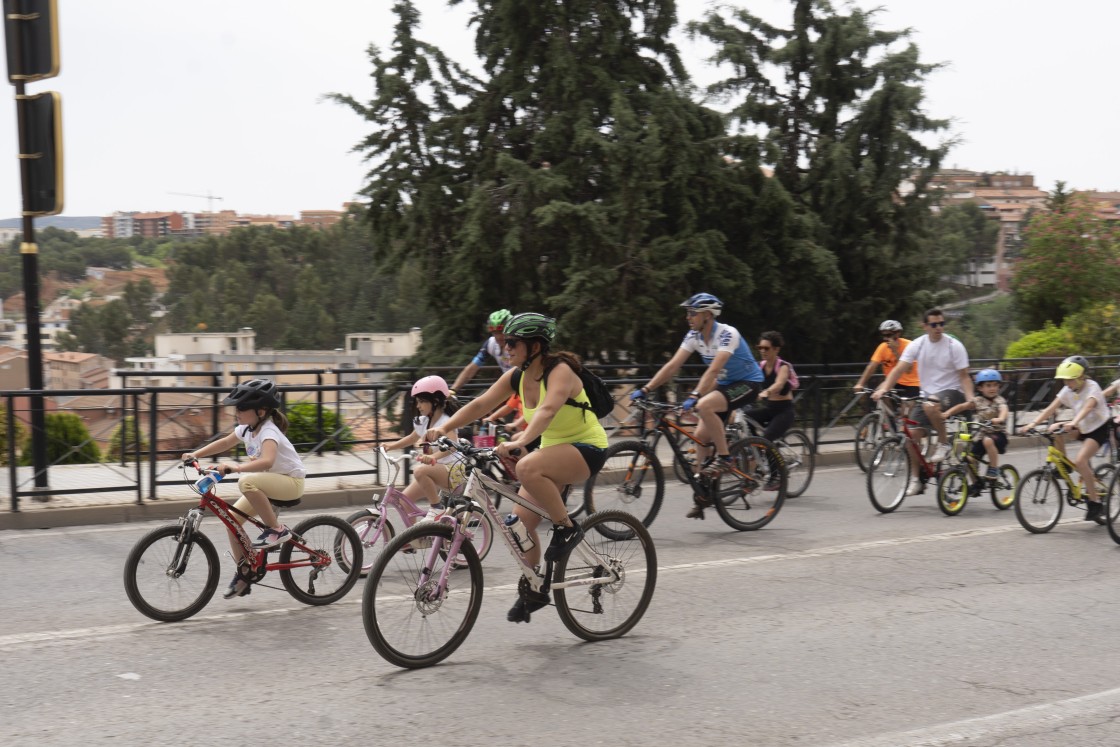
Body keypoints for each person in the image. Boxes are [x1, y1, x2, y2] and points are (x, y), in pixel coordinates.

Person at [425, 312, 607, 623]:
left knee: (526, 466)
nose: (505, 347)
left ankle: (566, 528)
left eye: (512, 342)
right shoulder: (518, 377)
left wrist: (522, 440)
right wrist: (444, 428)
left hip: (586, 449)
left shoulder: (559, 371)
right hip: (552, 453)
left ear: (535, 346)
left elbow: (548, 410)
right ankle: (535, 587)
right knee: (517, 528)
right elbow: (481, 404)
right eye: (504, 342)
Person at [630, 293, 764, 516]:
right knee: (700, 438)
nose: (688, 317)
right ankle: (703, 494)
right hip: (726, 385)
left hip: (749, 383)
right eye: (687, 313)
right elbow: (672, 366)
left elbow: (712, 371)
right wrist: (646, 389)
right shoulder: (694, 336)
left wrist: (695, 395)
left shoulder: (727, 334)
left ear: (708, 315)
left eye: (692, 313)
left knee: (704, 406)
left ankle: (725, 458)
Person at [181, 379, 307, 599]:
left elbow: (267, 461)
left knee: (246, 482)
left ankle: (277, 530)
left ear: (261, 411)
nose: (236, 412)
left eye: (241, 408)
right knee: (231, 520)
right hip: (269, 483)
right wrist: (196, 454)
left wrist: (235, 467)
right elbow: (224, 443)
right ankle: (246, 570)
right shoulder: (247, 429)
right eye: (235, 407)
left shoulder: (269, 432)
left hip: (290, 483)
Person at [873, 309, 972, 487]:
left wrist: (970, 399)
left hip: (953, 393)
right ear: (925, 326)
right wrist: (884, 389)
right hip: (927, 397)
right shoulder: (917, 345)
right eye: (934, 325)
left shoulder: (953, 346)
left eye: (941, 324)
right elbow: (899, 369)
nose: (938, 328)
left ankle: (943, 443)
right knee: (911, 436)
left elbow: (964, 376)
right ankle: (916, 479)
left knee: (930, 404)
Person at [1018, 355, 1110, 521]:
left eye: (1071, 380)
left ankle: (1095, 503)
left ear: (1082, 377)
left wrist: (1073, 422)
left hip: (1098, 428)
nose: (1067, 383)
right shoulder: (1068, 390)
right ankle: (1065, 467)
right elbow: (1051, 408)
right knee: (1053, 429)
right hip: (1081, 426)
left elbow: (1088, 408)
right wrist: (1032, 423)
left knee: (1081, 461)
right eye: (1065, 380)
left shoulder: (1092, 387)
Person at [382, 375, 465, 522]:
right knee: (404, 501)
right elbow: (412, 438)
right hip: (436, 469)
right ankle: (415, 542)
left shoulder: (446, 422)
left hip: (454, 470)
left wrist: (433, 457)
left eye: (422, 401)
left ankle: (437, 507)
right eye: (417, 402)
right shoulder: (424, 421)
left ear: (436, 401)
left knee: (419, 470)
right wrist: (390, 446)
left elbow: (452, 446)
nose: (418, 405)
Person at [941, 368, 1009, 481]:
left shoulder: (999, 400)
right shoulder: (978, 401)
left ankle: (993, 468)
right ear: (980, 388)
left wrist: (1000, 418)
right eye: (988, 385)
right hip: (982, 436)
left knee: (988, 440)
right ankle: (976, 484)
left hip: (999, 435)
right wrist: (948, 413)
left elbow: (1004, 410)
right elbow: (963, 406)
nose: (992, 388)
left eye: (995, 385)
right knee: (969, 459)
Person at [741, 331, 795, 443]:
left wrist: (766, 392)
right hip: (769, 408)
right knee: (744, 419)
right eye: (760, 347)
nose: (762, 351)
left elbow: (779, 384)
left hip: (784, 411)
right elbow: (747, 381)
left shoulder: (783, 366)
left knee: (766, 438)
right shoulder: (760, 366)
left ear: (776, 349)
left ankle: (766, 451)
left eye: (766, 348)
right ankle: (756, 450)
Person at [449, 309, 514, 396]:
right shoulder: (491, 344)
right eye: (495, 332)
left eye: (501, 332)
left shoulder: (518, 344)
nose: (498, 336)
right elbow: (471, 368)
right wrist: (453, 389)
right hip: (509, 385)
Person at [853, 319, 921, 401]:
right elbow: (871, 366)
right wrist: (860, 383)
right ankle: (885, 413)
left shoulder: (909, 345)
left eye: (889, 335)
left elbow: (908, 370)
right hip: (892, 382)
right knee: (879, 395)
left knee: (905, 412)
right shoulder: (882, 347)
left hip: (912, 383)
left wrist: (895, 351)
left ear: (897, 334)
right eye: (884, 335)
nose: (885, 338)